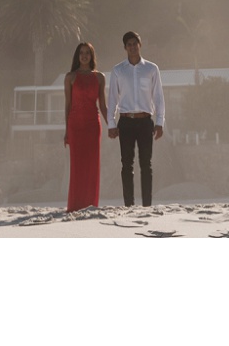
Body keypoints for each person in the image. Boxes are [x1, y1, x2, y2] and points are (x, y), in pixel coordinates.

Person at [107, 30, 165, 206]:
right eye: (129, 44)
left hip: (145, 120)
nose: (132, 47)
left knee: (146, 164)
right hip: (125, 121)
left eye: (135, 43)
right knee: (126, 164)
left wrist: (160, 122)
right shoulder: (118, 70)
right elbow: (112, 98)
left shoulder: (151, 69)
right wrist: (111, 123)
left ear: (140, 45)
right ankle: (129, 204)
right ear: (125, 47)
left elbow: (158, 97)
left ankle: (147, 203)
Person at [63, 41, 107, 212]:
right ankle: (75, 205)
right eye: (81, 52)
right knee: (77, 167)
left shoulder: (99, 77)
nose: (84, 55)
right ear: (77, 56)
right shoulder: (70, 77)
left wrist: (112, 125)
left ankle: (90, 204)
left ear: (92, 55)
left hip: (92, 125)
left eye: (87, 52)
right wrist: (66, 131)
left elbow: (102, 105)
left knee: (91, 166)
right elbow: (67, 105)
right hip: (75, 125)